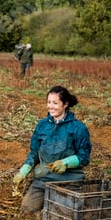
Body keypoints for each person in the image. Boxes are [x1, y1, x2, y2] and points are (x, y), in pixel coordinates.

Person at [12, 85, 92, 213]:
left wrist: (65, 163)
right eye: (49, 102)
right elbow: (34, 153)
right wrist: (23, 172)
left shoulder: (78, 128)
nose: (50, 106)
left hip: (68, 181)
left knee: (61, 213)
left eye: (55, 103)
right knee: (27, 209)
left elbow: (84, 157)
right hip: (43, 179)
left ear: (65, 104)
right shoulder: (42, 125)